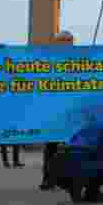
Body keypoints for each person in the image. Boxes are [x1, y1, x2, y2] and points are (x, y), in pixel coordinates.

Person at [41, 30, 74, 190]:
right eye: (63, 41)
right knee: (51, 145)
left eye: (68, 41)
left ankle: (70, 177)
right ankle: (48, 178)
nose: (66, 43)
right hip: (53, 108)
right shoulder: (49, 61)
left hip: (72, 108)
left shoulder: (80, 60)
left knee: (73, 145)